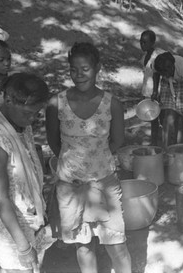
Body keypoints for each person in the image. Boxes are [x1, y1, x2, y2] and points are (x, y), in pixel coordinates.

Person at [45, 42, 132, 273]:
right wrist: (74, 164)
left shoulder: (112, 104)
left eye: (85, 69)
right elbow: (55, 142)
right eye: (73, 69)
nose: (79, 75)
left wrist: (96, 159)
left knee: (116, 243)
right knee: (83, 245)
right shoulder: (56, 103)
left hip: (104, 181)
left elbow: (118, 141)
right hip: (70, 186)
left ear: (97, 68)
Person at [0, 73, 55, 272]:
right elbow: (0, 198)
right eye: (28, 113)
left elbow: (30, 161)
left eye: (36, 113)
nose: (32, 119)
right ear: (8, 100)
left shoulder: (20, 123)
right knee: (19, 268)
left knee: (33, 267)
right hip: (8, 225)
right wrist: (23, 247)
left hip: (30, 216)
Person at [151, 52, 183, 147]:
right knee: (168, 119)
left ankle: (179, 147)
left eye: (170, 68)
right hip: (167, 84)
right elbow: (155, 73)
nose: (169, 72)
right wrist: (155, 91)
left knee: (180, 118)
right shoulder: (156, 65)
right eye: (165, 72)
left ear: (173, 64)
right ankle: (165, 150)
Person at [139, 29, 166, 145]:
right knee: (153, 118)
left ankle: (165, 143)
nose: (142, 44)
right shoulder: (145, 56)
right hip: (148, 92)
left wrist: (156, 92)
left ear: (152, 42)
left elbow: (159, 74)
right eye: (141, 41)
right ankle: (154, 142)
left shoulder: (158, 55)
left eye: (145, 42)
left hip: (158, 92)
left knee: (162, 118)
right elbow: (146, 76)